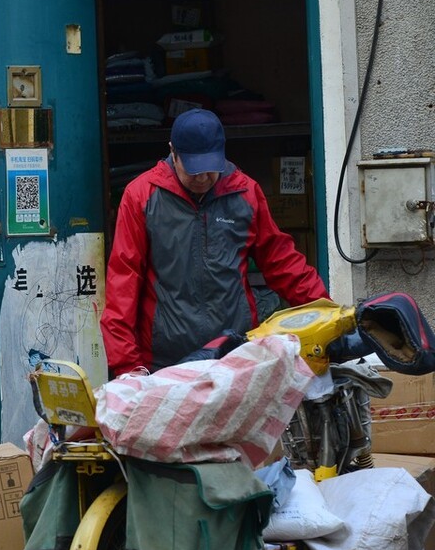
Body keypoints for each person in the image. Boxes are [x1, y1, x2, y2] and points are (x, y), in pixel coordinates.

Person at [101, 108, 329, 377]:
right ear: (173, 152)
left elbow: (283, 264)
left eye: (210, 169)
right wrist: (128, 367)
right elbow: (123, 284)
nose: (202, 178)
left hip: (236, 357)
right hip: (165, 363)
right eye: (193, 169)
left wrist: (327, 314)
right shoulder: (141, 196)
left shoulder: (245, 193)